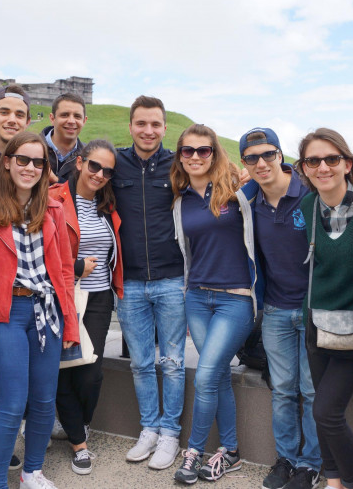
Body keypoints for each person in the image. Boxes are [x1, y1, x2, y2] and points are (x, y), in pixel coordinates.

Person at [0, 131, 78, 489]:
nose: (30, 167)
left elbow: (64, 273)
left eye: (38, 162)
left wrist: (70, 323)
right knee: (11, 405)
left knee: (44, 401)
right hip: (6, 314)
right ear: (7, 162)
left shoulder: (52, 208)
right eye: (22, 159)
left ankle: (32, 473)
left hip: (47, 313)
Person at [171, 124, 256, 484]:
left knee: (205, 376)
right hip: (198, 298)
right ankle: (231, 452)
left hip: (235, 299)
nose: (194, 157)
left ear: (214, 153)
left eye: (203, 150)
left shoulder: (238, 191)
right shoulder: (180, 201)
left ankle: (193, 452)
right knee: (217, 375)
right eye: (187, 151)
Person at [238, 127, 322, 489]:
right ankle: (286, 459)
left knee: (312, 390)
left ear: (281, 155)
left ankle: (311, 464)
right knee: (284, 389)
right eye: (252, 157)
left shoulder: (310, 193)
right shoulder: (248, 203)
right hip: (274, 311)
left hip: (315, 312)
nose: (261, 162)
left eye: (268, 154)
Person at [111, 96, 186, 470]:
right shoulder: (116, 163)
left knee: (172, 362)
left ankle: (170, 434)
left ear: (164, 127)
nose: (148, 130)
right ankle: (149, 429)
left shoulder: (179, 164)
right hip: (130, 283)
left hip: (173, 278)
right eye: (141, 123)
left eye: (155, 124)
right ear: (130, 126)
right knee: (140, 363)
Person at [296, 128, 353, 489]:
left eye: (331, 159)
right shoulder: (307, 206)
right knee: (319, 409)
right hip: (316, 325)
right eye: (313, 160)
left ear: (347, 163)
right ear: (304, 168)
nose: (323, 167)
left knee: (327, 413)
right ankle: (333, 481)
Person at [49, 139, 123, 476]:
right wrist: (75, 266)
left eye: (108, 170)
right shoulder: (53, 198)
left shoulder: (109, 203)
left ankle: (76, 422)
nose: (100, 174)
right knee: (65, 369)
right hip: (63, 295)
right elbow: (42, 248)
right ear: (80, 162)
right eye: (94, 166)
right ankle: (79, 442)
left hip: (99, 297)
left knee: (90, 372)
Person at [41, 93, 87, 183]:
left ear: (84, 121)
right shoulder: (30, 149)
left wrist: (56, 180)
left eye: (77, 116)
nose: (71, 121)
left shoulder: (88, 156)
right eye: (64, 115)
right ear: (52, 118)